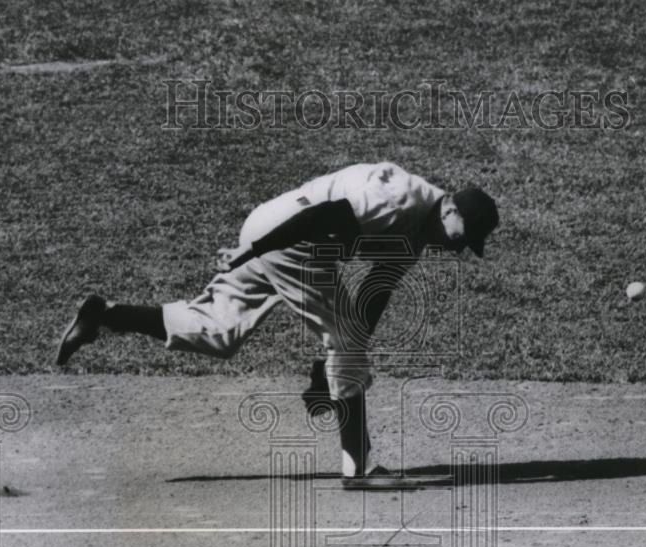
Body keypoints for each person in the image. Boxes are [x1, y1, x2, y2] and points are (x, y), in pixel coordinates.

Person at [56, 161, 498, 484]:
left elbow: (374, 293)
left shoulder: (417, 234)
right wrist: (252, 252)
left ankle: (106, 315)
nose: (461, 250)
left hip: (277, 233)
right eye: (465, 238)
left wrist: (329, 365)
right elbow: (320, 217)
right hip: (288, 237)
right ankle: (359, 468)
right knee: (344, 343)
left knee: (218, 331)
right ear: (450, 211)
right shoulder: (395, 197)